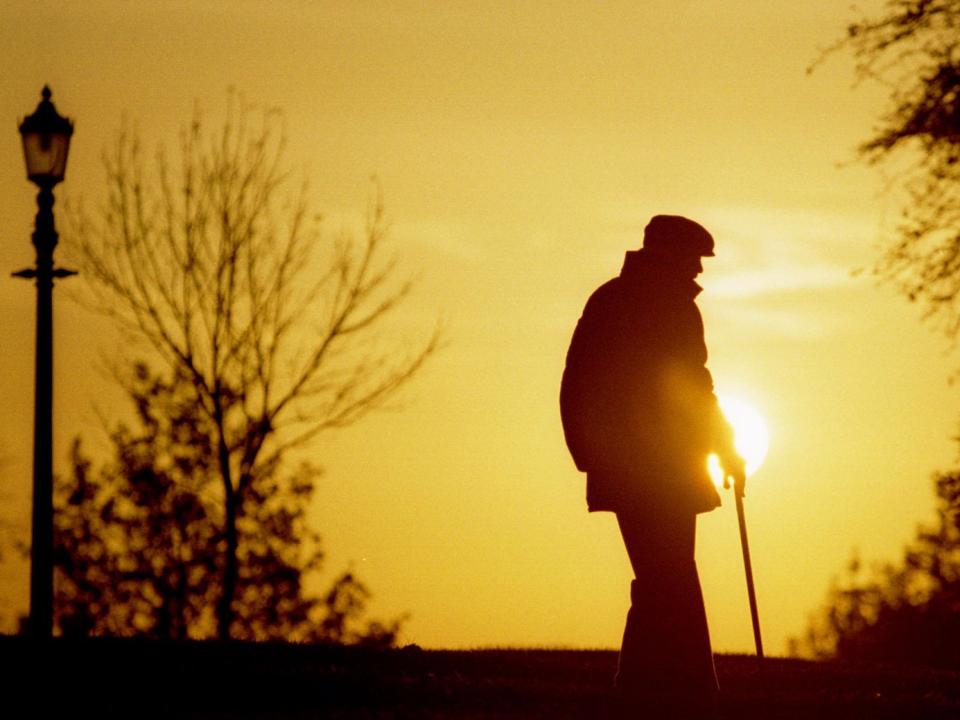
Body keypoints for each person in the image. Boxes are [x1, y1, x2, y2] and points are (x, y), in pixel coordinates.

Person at [559, 214, 745, 714]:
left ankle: (639, 686)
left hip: (631, 461)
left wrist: (590, 454)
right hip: (658, 462)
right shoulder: (665, 306)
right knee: (671, 575)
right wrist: (723, 446)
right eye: (692, 260)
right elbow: (692, 387)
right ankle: (695, 690)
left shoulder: (611, 299)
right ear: (666, 254)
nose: (698, 273)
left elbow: (577, 382)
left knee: (661, 575)